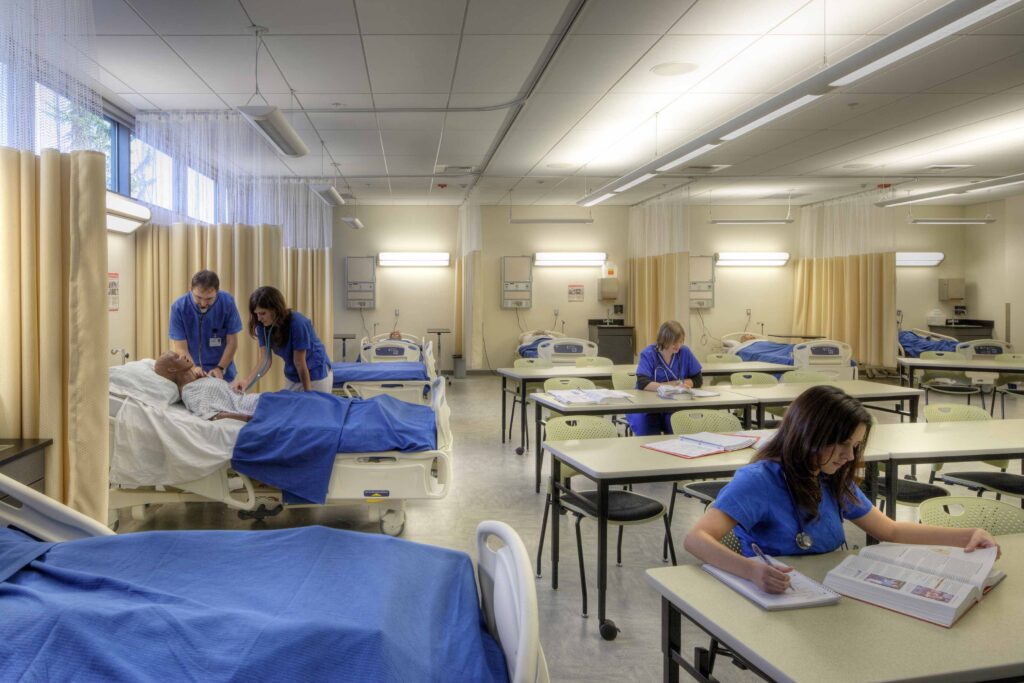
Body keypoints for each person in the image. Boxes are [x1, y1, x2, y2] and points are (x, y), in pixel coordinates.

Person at [683, 385, 1000, 594]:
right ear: (809, 435)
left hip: (828, 587)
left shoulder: (829, 476)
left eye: (856, 446)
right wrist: (751, 571)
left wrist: (967, 536)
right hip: (781, 594)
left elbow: (890, 530)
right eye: (842, 444)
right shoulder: (759, 481)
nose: (850, 456)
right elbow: (696, 539)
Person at [232, 286, 333, 393]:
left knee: (311, 402)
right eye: (256, 313)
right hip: (293, 374)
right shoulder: (262, 326)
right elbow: (265, 360)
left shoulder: (298, 323)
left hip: (316, 373)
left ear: (276, 310)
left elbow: (299, 362)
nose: (259, 318)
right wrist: (246, 381)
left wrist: (308, 393)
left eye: (263, 313)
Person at [626, 321, 703, 435]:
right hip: (647, 405)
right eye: (674, 342)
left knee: (678, 423)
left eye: (680, 341)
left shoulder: (684, 352)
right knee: (647, 427)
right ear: (664, 340)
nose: (677, 346)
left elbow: (698, 379)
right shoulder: (648, 354)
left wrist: (680, 385)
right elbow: (643, 382)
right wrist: (673, 386)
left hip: (673, 404)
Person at [169, 270, 243, 381]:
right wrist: (193, 368)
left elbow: (232, 343)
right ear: (190, 289)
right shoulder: (179, 308)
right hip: (192, 370)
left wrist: (220, 368)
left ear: (217, 292)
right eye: (198, 297)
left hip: (222, 372)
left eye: (209, 299)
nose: (203, 304)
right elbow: (181, 348)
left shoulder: (227, 303)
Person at [154, 351, 258, 422]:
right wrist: (247, 418)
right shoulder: (189, 392)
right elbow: (211, 415)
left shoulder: (200, 379)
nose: (183, 356)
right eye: (177, 357)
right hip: (252, 409)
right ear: (172, 369)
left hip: (254, 401)